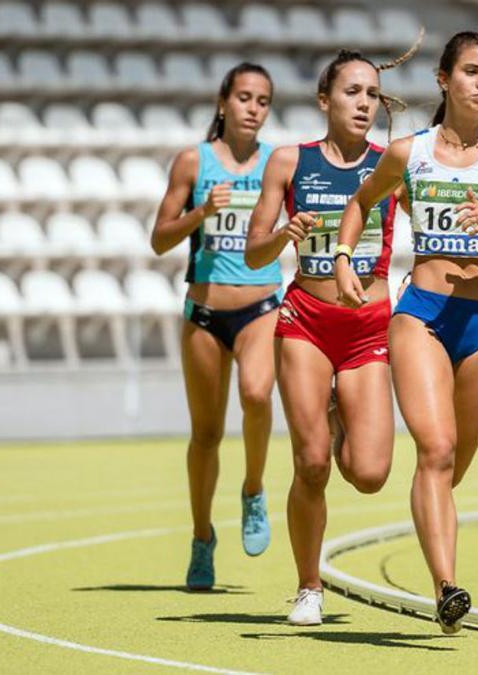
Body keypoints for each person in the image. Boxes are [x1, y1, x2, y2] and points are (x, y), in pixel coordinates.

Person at [333, 32, 478, 633]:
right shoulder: (407, 153)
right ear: (444, 79)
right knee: (434, 452)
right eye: (471, 71)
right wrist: (343, 258)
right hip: (423, 314)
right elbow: (361, 204)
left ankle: (441, 568)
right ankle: (447, 589)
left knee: (452, 467)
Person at [245, 41, 418, 626]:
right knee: (313, 462)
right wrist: (283, 234)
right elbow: (253, 253)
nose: (364, 103)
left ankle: (340, 412)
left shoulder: (393, 166)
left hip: (369, 326)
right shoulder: (288, 163)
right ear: (325, 100)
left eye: (373, 93)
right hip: (306, 323)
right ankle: (309, 586)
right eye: (352, 91)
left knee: (368, 475)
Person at [150, 63, 280, 591]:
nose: (253, 108)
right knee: (205, 435)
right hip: (204, 313)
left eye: (263, 100)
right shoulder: (193, 161)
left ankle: (253, 490)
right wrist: (202, 211)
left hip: (260, 308)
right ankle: (202, 538)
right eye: (245, 97)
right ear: (223, 102)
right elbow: (160, 239)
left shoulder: (279, 162)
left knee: (256, 393)